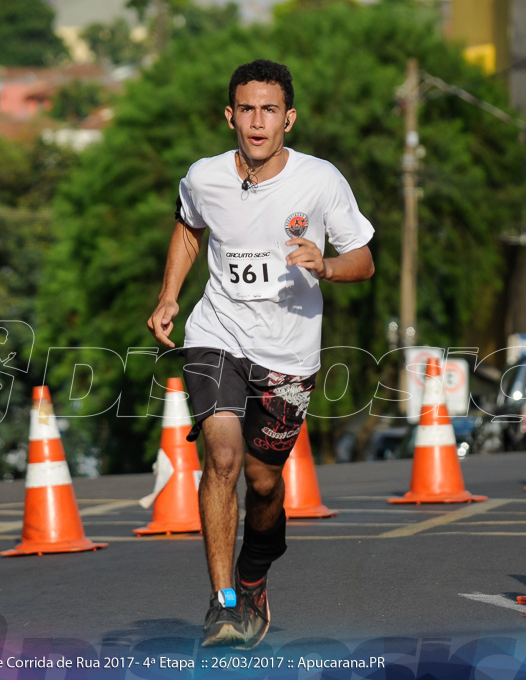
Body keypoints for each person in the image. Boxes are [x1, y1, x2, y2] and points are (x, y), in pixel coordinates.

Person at [147, 59, 375, 649]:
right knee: (222, 456)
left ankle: (253, 576)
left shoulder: (321, 181)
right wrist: (170, 295)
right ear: (230, 117)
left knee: (264, 481)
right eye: (246, 109)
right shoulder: (204, 177)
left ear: (288, 119)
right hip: (215, 333)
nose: (257, 121)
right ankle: (224, 603)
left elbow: (364, 259)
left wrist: (324, 264)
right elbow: (188, 227)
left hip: (288, 354)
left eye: (269, 110)